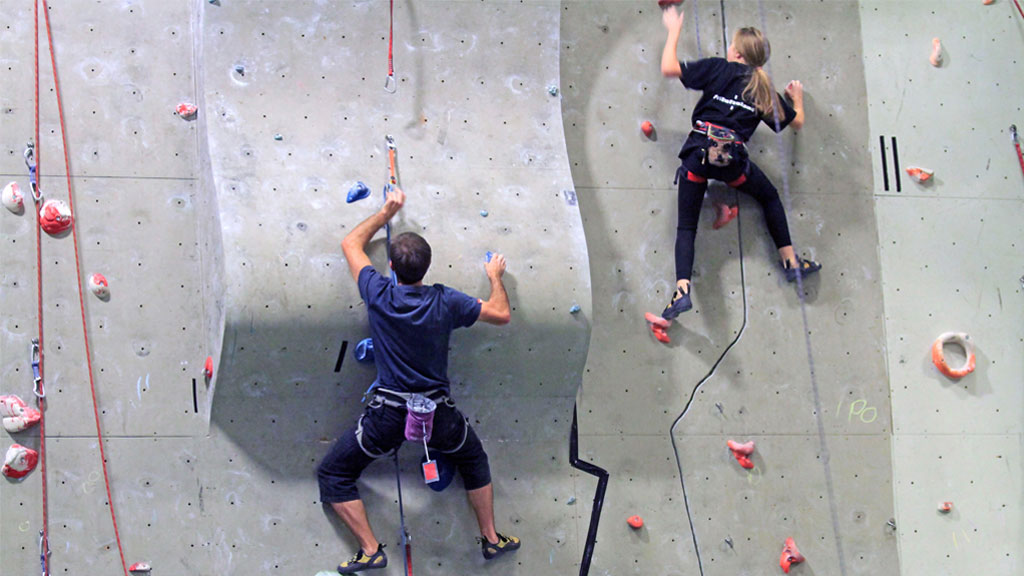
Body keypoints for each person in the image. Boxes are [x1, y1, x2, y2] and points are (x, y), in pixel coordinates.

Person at [318, 187, 521, 573]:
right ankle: (492, 539)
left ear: (391, 269)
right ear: (427, 268)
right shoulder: (445, 301)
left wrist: (386, 212)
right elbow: (500, 313)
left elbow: (351, 243)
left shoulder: (378, 293)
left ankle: (370, 549)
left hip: (388, 416)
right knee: (473, 459)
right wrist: (494, 277)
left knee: (334, 473)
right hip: (437, 414)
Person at [657, 5, 821, 322]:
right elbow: (797, 122)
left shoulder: (720, 68)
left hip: (698, 156)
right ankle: (790, 263)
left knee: (687, 226)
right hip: (732, 163)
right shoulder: (762, 88)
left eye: (733, 45)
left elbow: (668, 67)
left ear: (737, 53)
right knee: (769, 196)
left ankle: (681, 289)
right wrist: (796, 98)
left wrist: (674, 29)